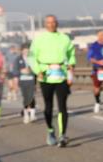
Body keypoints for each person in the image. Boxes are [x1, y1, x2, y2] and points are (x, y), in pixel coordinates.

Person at [29, 15, 76, 147]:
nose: (51, 24)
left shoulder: (64, 38)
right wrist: (38, 70)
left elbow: (71, 54)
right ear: (45, 24)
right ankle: (50, 130)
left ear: (57, 24)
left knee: (62, 106)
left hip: (61, 74)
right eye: (48, 22)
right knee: (48, 106)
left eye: (53, 22)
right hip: (46, 74)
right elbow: (32, 57)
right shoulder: (39, 40)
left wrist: (71, 65)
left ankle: (62, 135)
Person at [17, 45, 38, 123]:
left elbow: (37, 69)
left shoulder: (33, 59)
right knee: (25, 98)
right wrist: (21, 71)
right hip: (23, 81)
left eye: (27, 51)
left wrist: (31, 70)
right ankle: (26, 115)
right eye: (24, 51)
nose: (26, 52)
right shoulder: (18, 59)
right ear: (22, 51)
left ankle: (32, 114)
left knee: (32, 97)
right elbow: (15, 70)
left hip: (31, 80)